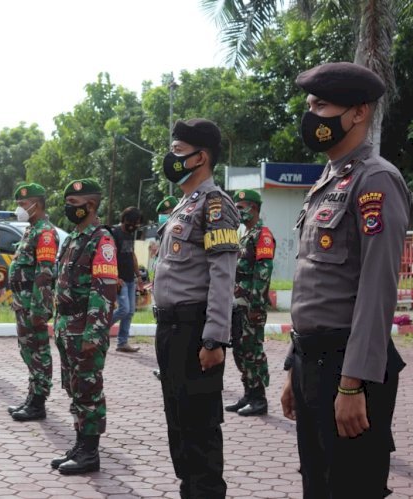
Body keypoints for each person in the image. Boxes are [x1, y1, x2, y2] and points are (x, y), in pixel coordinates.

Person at [280, 62, 410, 498]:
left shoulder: (376, 181)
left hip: (346, 366)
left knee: (351, 487)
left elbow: (377, 292)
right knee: (317, 485)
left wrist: (353, 383)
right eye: (309, 104)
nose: (310, 114)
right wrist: (290, 370)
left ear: (359, 113)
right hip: (311, 363)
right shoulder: (329, 179)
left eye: (321, 104)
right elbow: (311, 284)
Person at [153, 119, 239, 498]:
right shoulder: (184, 204)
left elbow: (223, 276)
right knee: (180, 427)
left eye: (177, 151)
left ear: (200, 157)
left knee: (200, 429)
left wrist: (214, 338)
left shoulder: (216, 205)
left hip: (194, 331)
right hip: (170, 329)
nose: (171, 159)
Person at [51, 178, 118, 475]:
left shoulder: (101, 240)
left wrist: (94, 332)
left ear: (90, 206)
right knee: (75, 387)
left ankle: (90, 453)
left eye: (75, 205)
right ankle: (80, 444)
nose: (69, 209)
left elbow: (103, 289)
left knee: (89, 390)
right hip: (67, 324)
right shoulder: (72, 238)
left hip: (85, 327)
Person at [6, 183, 58, 421]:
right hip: (22, 301)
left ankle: (38, 402)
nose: (20, 208)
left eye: (23, 204)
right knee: (28, 350)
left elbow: (44, 273)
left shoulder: (45, 232)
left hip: (33, 302)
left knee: (38, 351)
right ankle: (32, 396)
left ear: (37, 205)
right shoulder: (31, 230)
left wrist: (40, 307)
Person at [226, 189, 274, 417]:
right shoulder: (244, 234)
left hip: (251, 304)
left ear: (253, 208)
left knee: (252, 351)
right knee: (240, 349)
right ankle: (248, 392)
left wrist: (256, 304)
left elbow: (263, 272)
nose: (238, 211)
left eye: (241, 207)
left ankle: (259, 398)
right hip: (238, 302)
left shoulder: (262, 235)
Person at [110, 207, 144, 353]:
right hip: (119, 279)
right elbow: (109, 256)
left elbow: (131, 255)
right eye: (135, 222)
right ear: (126, 220)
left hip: (130, 279)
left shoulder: (129, 235)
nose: (136, 226)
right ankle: (98, 329)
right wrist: (115, 277)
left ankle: (122, 343)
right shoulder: (114, 233)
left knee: (130, 312)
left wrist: (138, 276)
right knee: (124, 309)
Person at [152, 196, 179, 381]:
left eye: (166, 214)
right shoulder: (163, 235)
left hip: (175, 296)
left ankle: (172, 370)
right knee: (164, 338)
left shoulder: (178, 233)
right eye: (161, 215)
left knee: (175, 337)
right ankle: (165, 368)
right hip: (163, 294)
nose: (163, 217)